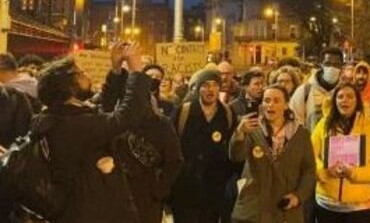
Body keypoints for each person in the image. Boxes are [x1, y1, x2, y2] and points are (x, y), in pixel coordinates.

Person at [29, 42, 151, 223]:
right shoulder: (71, 124)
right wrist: (137, 73)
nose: (86, 74)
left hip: (82, 209)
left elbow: (102, 110)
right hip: (91, 213)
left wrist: (116, 71)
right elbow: (125, 118)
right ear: (69, 87)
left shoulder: (62, 117)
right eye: (80, 73)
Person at [99, 47, 183, 223]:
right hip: (116, 195)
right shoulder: (117, 122)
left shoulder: (160, 124)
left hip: (146, 199)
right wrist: (115, 69)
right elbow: (105, 105)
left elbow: (174, 161)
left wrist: (158, 190)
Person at [229, 85, 315, 223]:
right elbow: (236, 156)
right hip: (254, 210)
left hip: (285, 209)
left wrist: (298, 196)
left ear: (286, 105)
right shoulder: (252, 130)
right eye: (267, 100)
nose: (270, 105)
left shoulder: (301, 134)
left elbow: (309, 170)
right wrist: (239, 134)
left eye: (276, 101)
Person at [311, 83, 370, 223]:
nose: (345, 100)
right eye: (340, 97)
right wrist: (324, 171)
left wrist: (355, 173)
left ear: (357, 101)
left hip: (362, 206)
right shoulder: (324, 124)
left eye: (350, 96)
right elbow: (310, 155)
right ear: (334, 101)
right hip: (327, 203)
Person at [170, 68, 236, 223]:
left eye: (214, 85)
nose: (210, 89)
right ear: (198, 88)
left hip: (214, 188)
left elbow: (232, 149)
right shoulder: (184, 111)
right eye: (205, 85)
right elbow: (170, 145)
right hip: (185, 188)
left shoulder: (227, 113)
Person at [290, 47, 344, 130]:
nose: (332, 68)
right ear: (321, 64)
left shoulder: (345, 93)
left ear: (341, 66)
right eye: (327, 64)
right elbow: (293, 124)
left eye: (336, 64)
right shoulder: (304, 91)